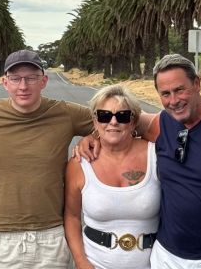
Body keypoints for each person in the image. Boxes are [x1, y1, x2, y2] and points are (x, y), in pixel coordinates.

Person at [78, 54, 201, 268]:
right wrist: (93, 137)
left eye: (179, 90)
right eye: (165, 94)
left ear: (197, 83)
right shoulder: (161, 124)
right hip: (167, 257)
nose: (173, 101)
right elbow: (116, 124)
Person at [0, 49, 94, 268]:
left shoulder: (65, 113)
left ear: (43, 81)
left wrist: (94, 136)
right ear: (5, 82)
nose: (23, 86)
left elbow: (119, 121)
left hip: (51, 239)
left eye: (31, 78)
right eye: (15, 79)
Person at [64, 84, 160, 269]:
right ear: (95, 121)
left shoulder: (156, 155)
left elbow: (180, 120)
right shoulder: (79, 164)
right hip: (96, 264)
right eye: (104, 116)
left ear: (133, 121)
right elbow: (72, 216)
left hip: (154, 264)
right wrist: (81, 262)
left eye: (122, 116)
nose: (113, 122)